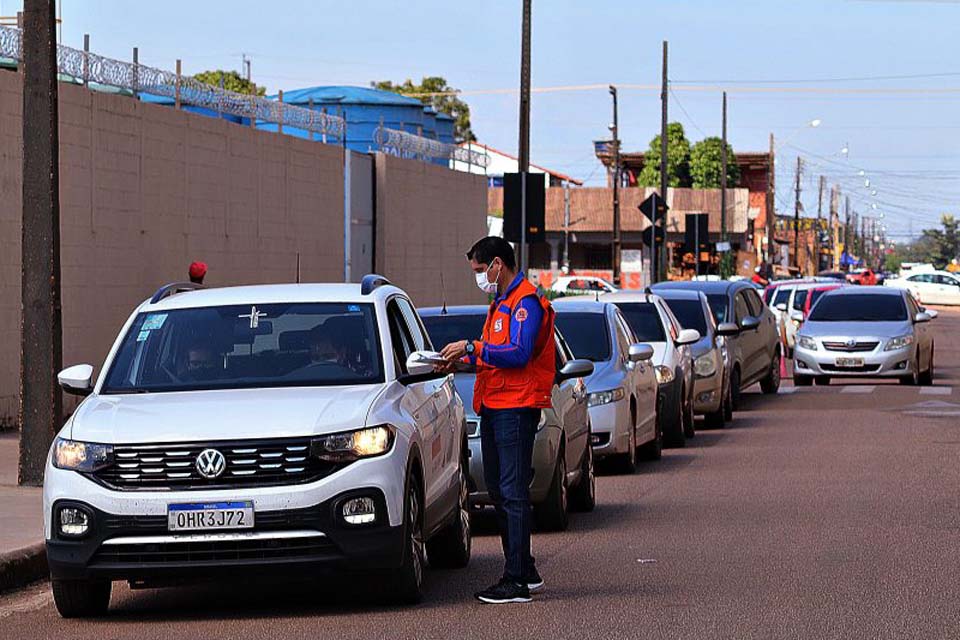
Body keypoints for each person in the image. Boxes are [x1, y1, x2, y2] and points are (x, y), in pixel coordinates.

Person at [438, 236, 556, 605]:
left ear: (497, 265)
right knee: (502, 490)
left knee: (511, 492)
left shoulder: (525, 303)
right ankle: (525, 569)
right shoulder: (501, 304)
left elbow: (518, 353)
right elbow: (495, 355)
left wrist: (473, 347)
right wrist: (459, 360)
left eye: (479, 270)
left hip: (515, 408)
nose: (479, 277)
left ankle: (516, 580)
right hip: (495, 404)